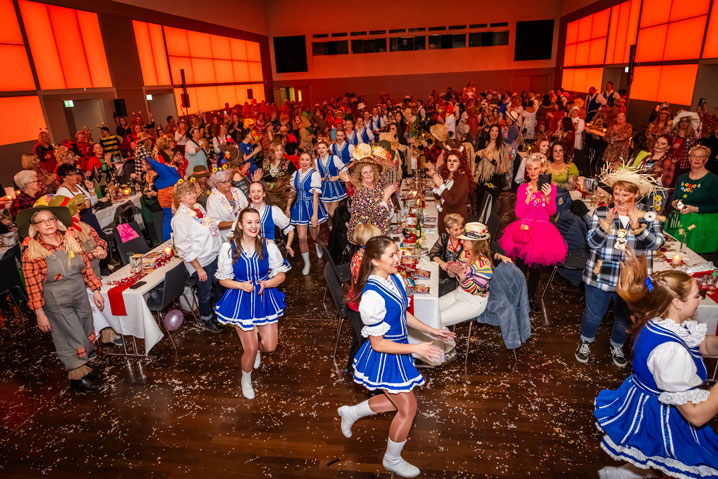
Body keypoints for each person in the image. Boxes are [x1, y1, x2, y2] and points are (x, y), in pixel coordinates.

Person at [594, 249, 718, 479]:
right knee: (673, 458)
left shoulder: (662, 318)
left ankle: (628, 474)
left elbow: (704, 345)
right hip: (662, 412)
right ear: (677, 303)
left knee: (650, 455)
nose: (701, 299)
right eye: (696, 296)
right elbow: (696, 415)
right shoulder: (670, 351)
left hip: (646, 399)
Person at [337, 236, 453, 478]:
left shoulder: (395, 279)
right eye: (392, 255)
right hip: (385, 355)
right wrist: (416, 349)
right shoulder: (372, 297)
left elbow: (402, 315)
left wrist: (432, 330)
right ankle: (392, 459)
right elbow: (377, 344)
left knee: (396, 402)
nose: (398, 258)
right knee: (408, 408)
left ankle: (351, 412)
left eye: (397, 252)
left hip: (398, 349)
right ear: (375, 260)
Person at [576, 166, 665, 367]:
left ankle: (617, 345)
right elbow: (591, 243)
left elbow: (657, 244)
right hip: (600, 274)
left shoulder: (648, 216)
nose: (620, 198)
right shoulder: (601, 212)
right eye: (617, 193)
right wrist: (605, 225)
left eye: (625, 194)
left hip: (632, 278)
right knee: (593, 315)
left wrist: (637, 228)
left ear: (636, 194)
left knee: (625, 318)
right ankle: (586, 341)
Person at [19, 204, 105, 391]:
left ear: (57, 222)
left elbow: (86, 267)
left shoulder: (70, 239)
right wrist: (39, 314)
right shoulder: (32, 252)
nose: (48, 223)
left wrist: (96, 290)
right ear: (34, 227)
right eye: (42, 221)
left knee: (86, 328)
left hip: (79, 293)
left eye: (51, 219)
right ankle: (77, 374)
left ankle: (85, 366)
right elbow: (33, 286)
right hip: (57, 300)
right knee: (71, 335)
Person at [214, 208, 290, 400]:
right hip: (241, 299)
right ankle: (246, 380)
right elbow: (223, 279)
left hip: (265, 297)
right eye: (249, 222)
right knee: (250, 349)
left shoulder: (268, 245)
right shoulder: (229, 247)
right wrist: (240, 285)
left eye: (257, 222)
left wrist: (267, 283)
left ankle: (257, 350)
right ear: (240, 225)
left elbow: (281, 275)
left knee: (270, 347)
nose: (254, 226)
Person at [499, 154, 567, 312]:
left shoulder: (550, 189)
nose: (533, 171)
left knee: (536, 271)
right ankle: (519, 298)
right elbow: (519, 213)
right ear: (527, 171)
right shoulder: (523, 188)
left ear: (542, 169)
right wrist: (528, 197)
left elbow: (551, 212)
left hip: (542, 233)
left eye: (536, 168)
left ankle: (530, 298)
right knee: (521, 269)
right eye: (530, 169)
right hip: (524, 230)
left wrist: (548, 197)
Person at [171, 180, 222, 333]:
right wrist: (199, 269)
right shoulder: (180, 219)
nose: (192, 195)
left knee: (218, 286)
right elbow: (183, 248)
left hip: (213, 255)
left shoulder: (198, 207)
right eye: (188, 193)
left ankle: (217, 313)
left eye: (193, 192)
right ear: (180, 197)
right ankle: (207, 319)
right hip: (200, 261)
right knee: (205, 293)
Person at [437, 222, 493, 360]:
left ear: (475, 243)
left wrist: (461, 274)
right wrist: (452, 270)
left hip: (473, 301)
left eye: (465, 240)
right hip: (460, 292)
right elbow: (456, 277)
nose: (461, 241)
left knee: (437, 320)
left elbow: (474, 289)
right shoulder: (465, 253)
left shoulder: (484, 265)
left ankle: (450, 348)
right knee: (430, 310)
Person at [665, 145, 718, 255]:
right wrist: (675, 204)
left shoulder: (713, 180)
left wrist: (695, 209)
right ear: (689, 159)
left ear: (706, 160)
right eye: (694, 156)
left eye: (701, 156)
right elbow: (674, 199)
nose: (697, 159)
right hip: (679, 219)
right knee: (671, 253)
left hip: (701, 223)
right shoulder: (682, 178)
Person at [346, 223, 382, 373]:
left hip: (356, 302)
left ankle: (352, 367)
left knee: (358, 339)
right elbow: (368, 288)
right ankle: (363, 370)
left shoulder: (361, 255)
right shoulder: (363, 262)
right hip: (359, 306)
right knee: (365, 341)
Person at [345, 146, 397, 243]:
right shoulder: (360, 193)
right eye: (365, 172)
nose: (368, 174)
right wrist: (385, 198)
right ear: (360, 175)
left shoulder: (378, 185)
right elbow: (374, 218)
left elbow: (388, 209)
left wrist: (387, 202)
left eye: (371, 171)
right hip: (369, 238)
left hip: (382, 233)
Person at [289, 150, 327, 275]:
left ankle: (317, 245)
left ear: (311, 161)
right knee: (301, 237)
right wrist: (287, 208)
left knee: (314, 236)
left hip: (311, 206)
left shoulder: (314, 174)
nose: (304, 162)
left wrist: (315, 214)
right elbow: (292, 192)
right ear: (299, 161)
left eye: (307, 160)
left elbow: (316, 195)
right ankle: (307, 263)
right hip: (299, 207)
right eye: (302, 159)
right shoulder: (295, 174)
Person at [247, 181, 294, 256]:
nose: (256, 194)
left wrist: (288, 245)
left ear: (264, 194)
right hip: (250, 252)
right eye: (253, 192)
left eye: (259, 191)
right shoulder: (244, 212)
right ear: (249, 195)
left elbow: (290, 230)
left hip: (269, 252)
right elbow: (236, 232)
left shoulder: (273, 210)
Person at [428, 148, 471, 228]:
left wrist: (441, 185)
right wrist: (437, 184)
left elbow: (453, 201)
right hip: (445, 216)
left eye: (455, 161)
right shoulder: (447, 174)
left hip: (455, 221)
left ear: (460, 163)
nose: (451, 163)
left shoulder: (463, 178)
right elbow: (437, 196)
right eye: (449, 160)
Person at [475, 125, 511, 216]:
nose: (494, 133)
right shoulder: (484, 143)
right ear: (489, 132)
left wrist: (489, 158)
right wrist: (481, 156)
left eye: (496, 131)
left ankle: (489, 219)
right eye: (492, 131)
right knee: (480, 199)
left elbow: (501, 165)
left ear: (499, 134)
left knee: (491, 201)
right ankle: (480, 218)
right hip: (482, 177)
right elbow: (476, 160)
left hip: (494, 178)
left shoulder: (501, 147)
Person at [55, 164, 102, 235]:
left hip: (91, 218)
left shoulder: (77, 186)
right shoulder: (61, 193)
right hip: (80, 224)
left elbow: (94, 202)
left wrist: (91, 189)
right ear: (63, 178)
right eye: (71, 175)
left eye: (75, 174)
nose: (75, 177)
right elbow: (65, 214)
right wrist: (83, 206)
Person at [206, 167, 248, 242]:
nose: (228, 184)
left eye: (229, 180)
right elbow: (214, 223)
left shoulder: (237, 191)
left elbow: (247, 207)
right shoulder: (212, 199)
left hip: (245, 233)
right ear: (216, 183)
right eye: (224, 182)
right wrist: (235, 223)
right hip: (226, 238)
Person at [315, 139, 347, 222]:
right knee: (326, 213)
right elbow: (315, 175)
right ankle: (332, 228)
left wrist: (337, 177)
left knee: (332, 212)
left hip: (334, 187)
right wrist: (321, 178)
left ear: (327, 149)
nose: (321, 150)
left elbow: (344, 169)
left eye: (323, 148)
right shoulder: (316, 161)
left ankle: (341, 226)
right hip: (323, 188)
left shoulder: (334, 158)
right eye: (319, 148)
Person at [668, 111, 701, 187]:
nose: (684, 123)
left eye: (686, 121)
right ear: (678, 122)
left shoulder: (693, 136)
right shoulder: (672, 133)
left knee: (680, 184)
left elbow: (695, 150)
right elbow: (666, 146)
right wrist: (672, 146)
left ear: (689, 123)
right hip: (670, 162)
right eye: (682, 121)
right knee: (668, 183)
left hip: (685, 164)